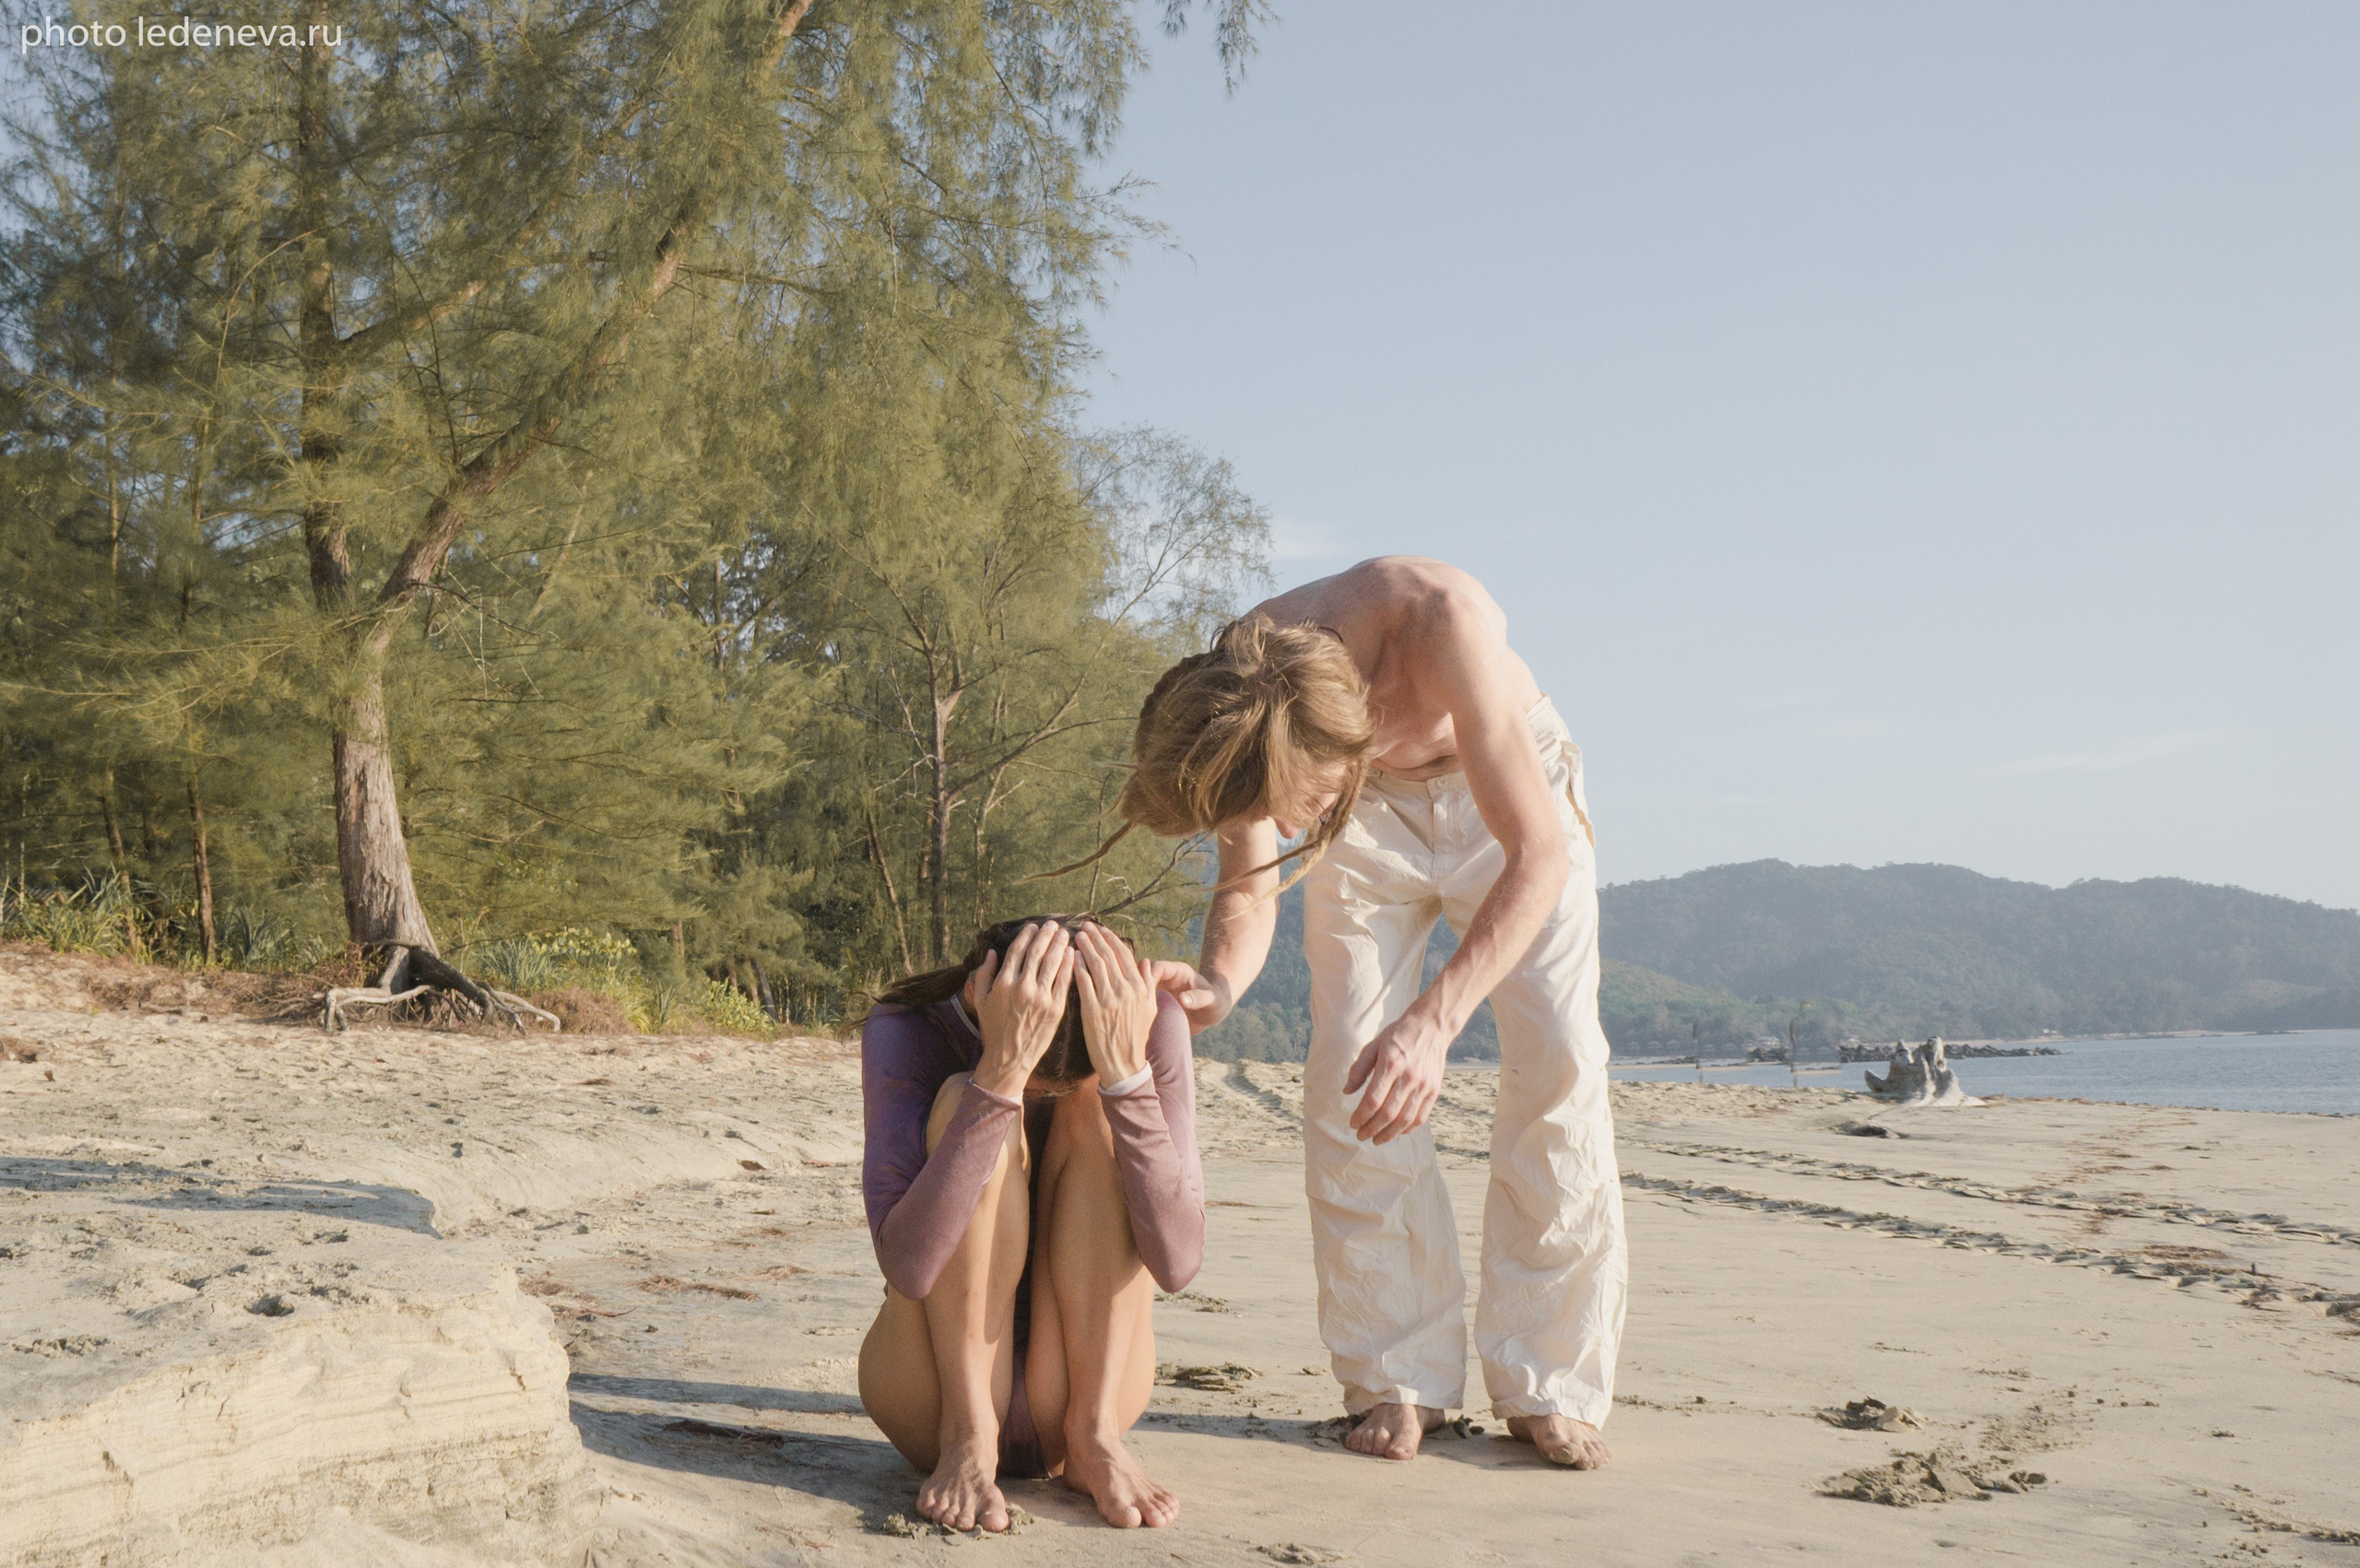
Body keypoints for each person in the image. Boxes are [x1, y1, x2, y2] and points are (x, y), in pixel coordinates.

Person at [1084, 556, 1625, 1468]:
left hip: (1502, 793)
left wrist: (1434, 1022)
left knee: (1558, 1064)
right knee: (1349, 1074)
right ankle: (1395, 1375)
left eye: (1295, 808)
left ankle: (1549, 1381)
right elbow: (1251, 869)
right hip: (1367, 805)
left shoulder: (1438, 622)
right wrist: (1220, 980)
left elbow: (1537, 856)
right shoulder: (1245, 687)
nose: (1290, 830)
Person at [856, 917, 1204, 1532]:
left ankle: (1095, 1437)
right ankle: (970, 1436)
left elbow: (1177, 1262)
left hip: (1081, 1389)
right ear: (977, 994)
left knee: (1095, 1105)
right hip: (929, 1393)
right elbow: (907, 1266)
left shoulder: (1155, 1020)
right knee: (964, 1094)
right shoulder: (906, 1025)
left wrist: (1125, 1075)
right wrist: (1001, 1074)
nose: (1043, 1096)